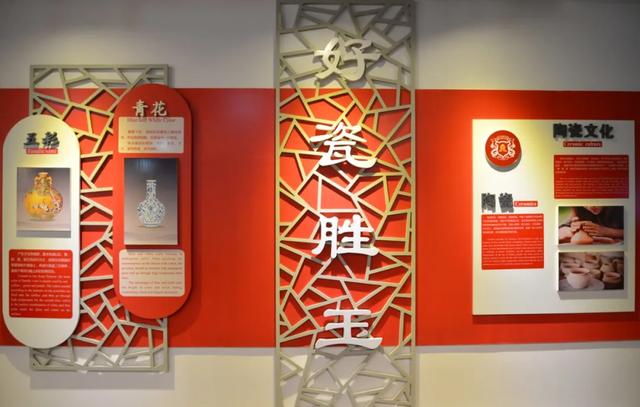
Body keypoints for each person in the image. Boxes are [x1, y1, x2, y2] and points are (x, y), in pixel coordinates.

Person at [558, 206, 623, 242]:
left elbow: (629, 233)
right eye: (584, 202)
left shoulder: (619, 207)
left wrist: (607, 231)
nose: (591, 206)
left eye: (595, 199)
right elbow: (572, 220)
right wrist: (573, 226)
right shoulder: (578, 206)